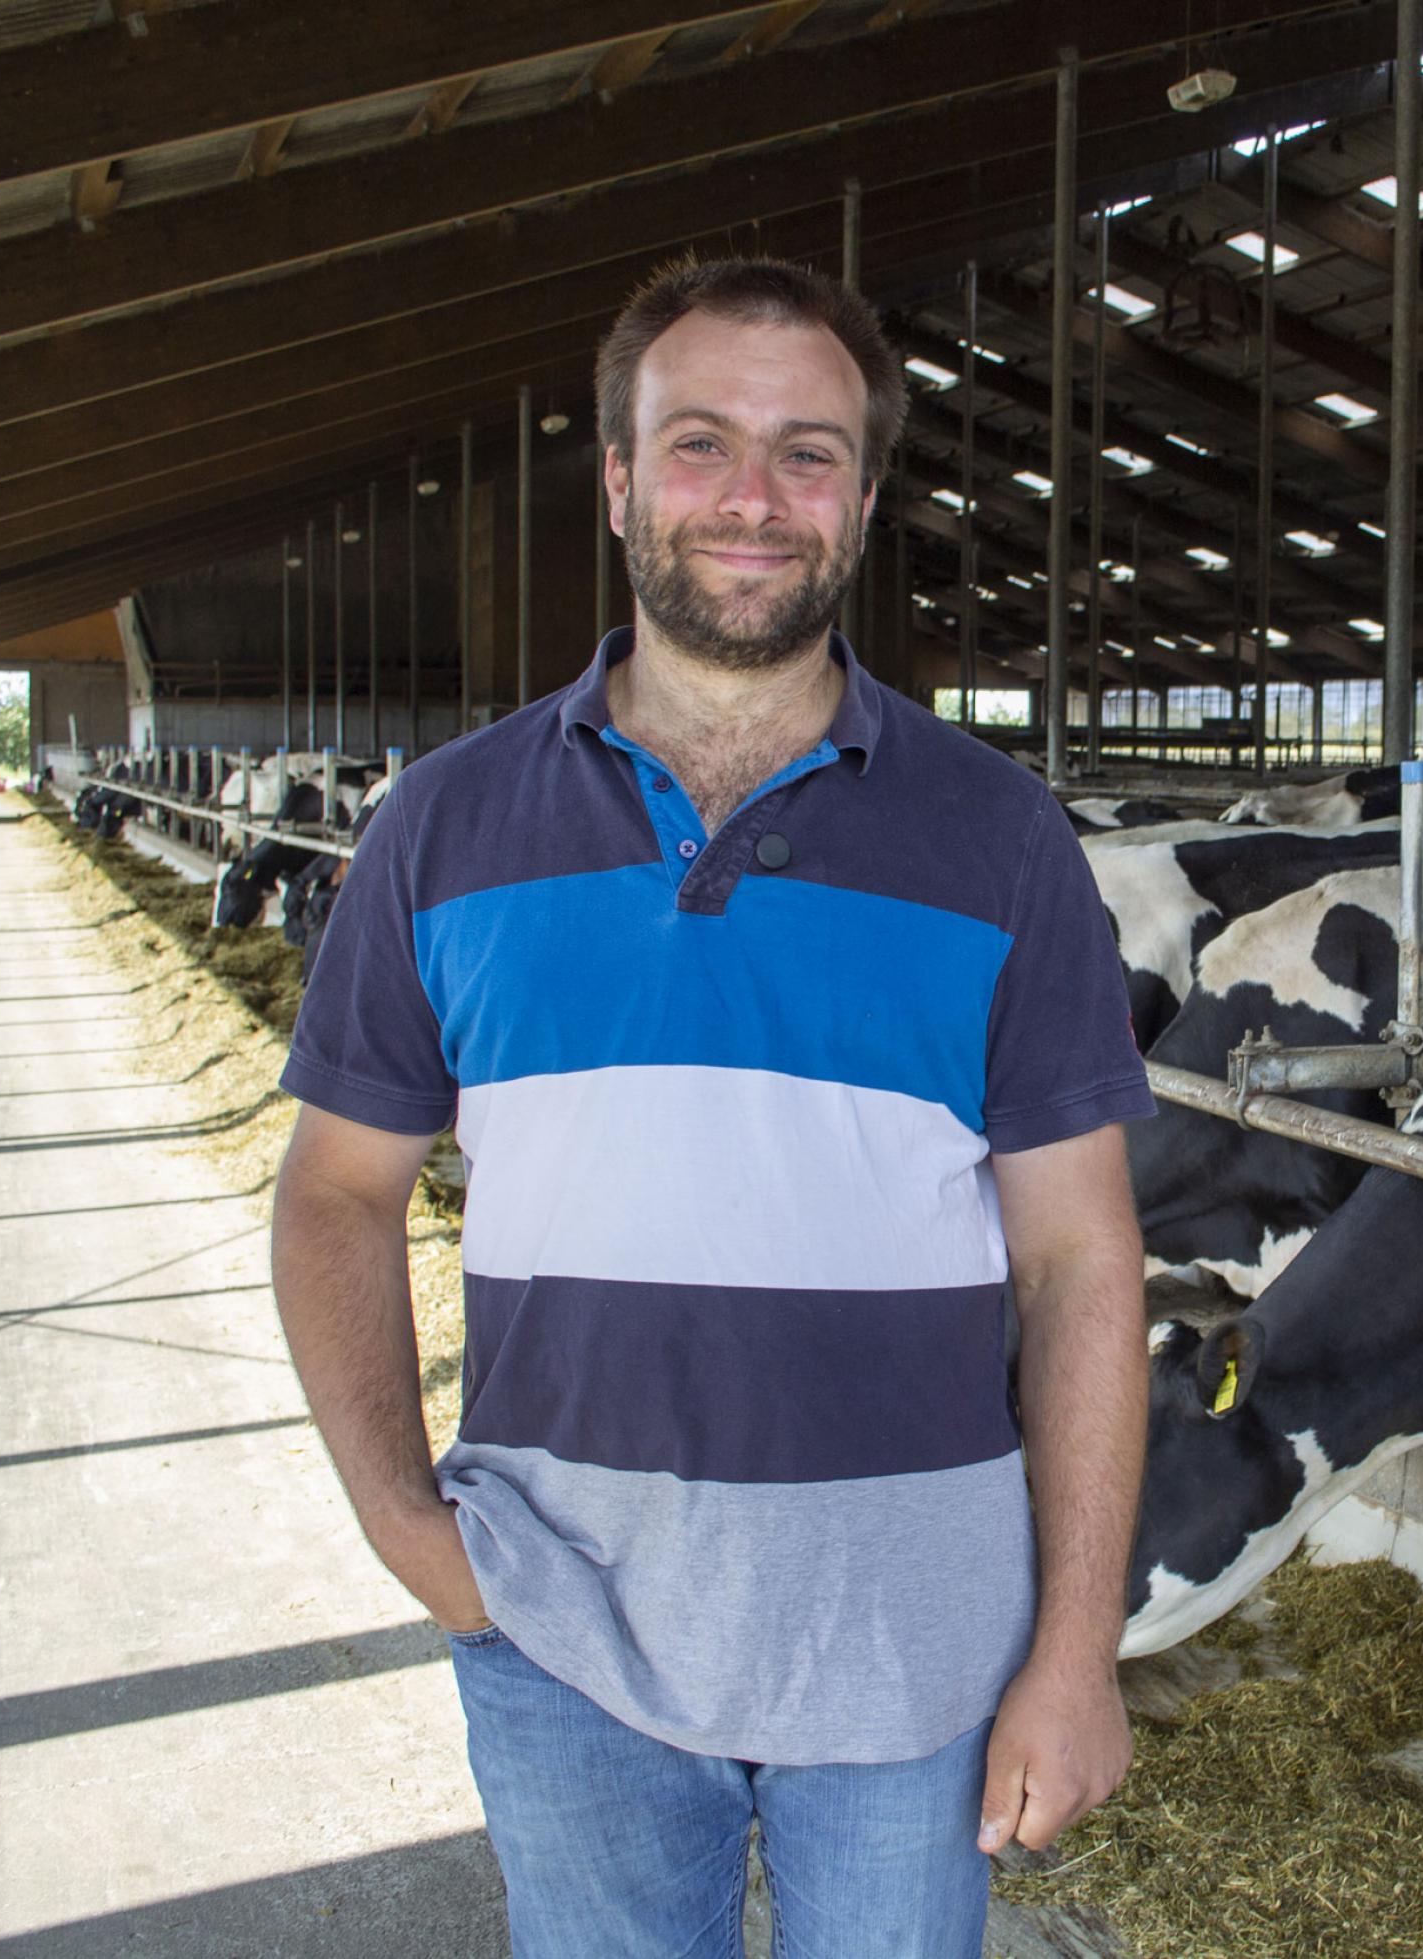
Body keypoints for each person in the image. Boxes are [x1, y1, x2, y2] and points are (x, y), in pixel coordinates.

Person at [269, 252, 1153, 1958]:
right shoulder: (443, 828)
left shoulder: (998, 837)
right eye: (698, 446)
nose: (753, 498)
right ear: (615, 479)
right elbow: (333, 1194)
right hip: (560, 1634)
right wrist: (403, 1528)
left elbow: (1080, 1265)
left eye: (808, 452)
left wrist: (1072, 1651)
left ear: (867, 496)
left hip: (916, 1649)